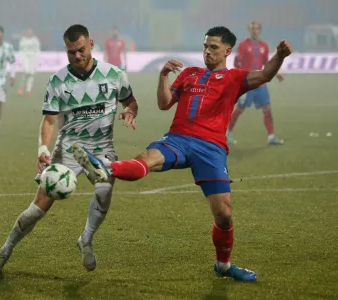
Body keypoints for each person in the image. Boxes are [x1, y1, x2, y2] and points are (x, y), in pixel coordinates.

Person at [71, 26, 292, 281]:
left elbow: (264, 74)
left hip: (211, 148)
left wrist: (280, 56)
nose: (207, 51)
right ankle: (105, 169)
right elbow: (164, 104)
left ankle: (223, 265)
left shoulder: (234, 78)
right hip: (178, 139)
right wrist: (163, 75)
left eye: (214, 48)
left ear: (227, 51)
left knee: (224, 214)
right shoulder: (189, 74)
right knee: (147, 159)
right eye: (205, 46)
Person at [0, 24, 138, 275]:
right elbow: (48, 120)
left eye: (80, 50)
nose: (77, 56)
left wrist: (130, 111)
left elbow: (130, 101)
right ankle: (6, 250)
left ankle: (86, 239)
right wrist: (42, 148)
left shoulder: (114, 74)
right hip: (69, 150)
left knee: (104, 191)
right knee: (37, 209)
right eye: (70, 52)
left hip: (101, 149)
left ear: (90, 44)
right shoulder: (58, 81)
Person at [227, 21, 284, 145]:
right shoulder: (243, 45)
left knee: (267, 109)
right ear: (249, 30)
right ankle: (229, 133)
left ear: (260, 30)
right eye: (252, 29)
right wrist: (240, 76)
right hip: (247, 83)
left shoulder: (264, 46)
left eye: (256, 28)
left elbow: (266, 62)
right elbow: (237, 63)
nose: (254, 31)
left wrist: (276, 73)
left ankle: (271, 137)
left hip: (261, 83)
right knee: (240, 109)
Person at [18, 27, 41, 97]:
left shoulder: (35, 40)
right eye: (28, 31)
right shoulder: (23, 40)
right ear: (26, 32)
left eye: (30, 31)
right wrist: (20, 60)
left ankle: (28, 90)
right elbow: (20, 50)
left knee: (31, 74)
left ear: (32, 32)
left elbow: (38, 50)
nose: (29, 32)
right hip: (25, 57)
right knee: (26, 72)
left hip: (33, 58)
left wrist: (39, 60)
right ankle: (21, 87)